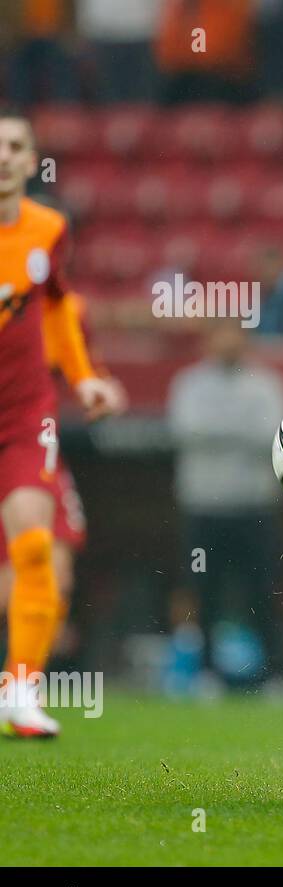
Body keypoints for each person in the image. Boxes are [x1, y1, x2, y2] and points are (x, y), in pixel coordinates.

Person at [0, 109, 117, 738]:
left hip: (23, 414)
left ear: (29, 160)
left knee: (34, 546)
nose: (2, 157)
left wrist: (85, 378)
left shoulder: (48, 228)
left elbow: (58, 308)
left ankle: (20, 690)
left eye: (14, 146)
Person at [166, 323, 283, 682]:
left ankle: (275, 676)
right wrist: (242, 429)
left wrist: (216, 431)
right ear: (209, 339)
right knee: (204, 590)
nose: (228, 340)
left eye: (235, 332)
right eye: (221, 333)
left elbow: (275, 436)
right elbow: (185, 428)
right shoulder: (188, 383)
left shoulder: (268, 383)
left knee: (262, 590)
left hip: (254, 508)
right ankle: (206, 673)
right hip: (204, 510)